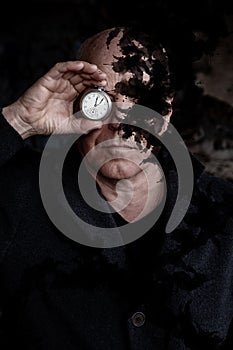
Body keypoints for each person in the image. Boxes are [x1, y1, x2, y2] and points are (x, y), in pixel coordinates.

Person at [0, 26, 233, 350]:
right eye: (102, 100)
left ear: (165, 112)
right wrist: (19, 120)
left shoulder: (223, 213)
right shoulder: (21, 194)